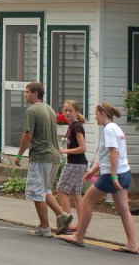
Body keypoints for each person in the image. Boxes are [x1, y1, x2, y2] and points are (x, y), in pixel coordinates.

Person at [59, 102, 137, 253]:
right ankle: (132, 244)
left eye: (96, 114)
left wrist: (113, 177)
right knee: (124, 210)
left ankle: (79, 236)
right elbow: (108, 156)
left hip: (112, 175)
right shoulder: (117, 129)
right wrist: (94, 170)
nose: (95, 117)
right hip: (125, 173)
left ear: (102, 113)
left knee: (87, 201)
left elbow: (114, 152)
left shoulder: (108, 130)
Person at [14, 81, 71, 237]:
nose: (25, 95)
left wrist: (19, 155)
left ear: (35, 93)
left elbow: (27, 135)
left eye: (27, 92)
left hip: (40, 156)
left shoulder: (32, 110)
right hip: (53, 156)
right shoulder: (49, 109)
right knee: (45, 189)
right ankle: (62, 215)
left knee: (36, 192)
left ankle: (44, 227)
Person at [55, 100, 87, 234]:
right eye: (65, 110)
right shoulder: (72, 126)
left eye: (70, 111)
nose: (67, 113)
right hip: (80, 164)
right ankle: (81, 225)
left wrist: (65, 151)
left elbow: (82, 148)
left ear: (76, 112)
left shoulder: (76, 127)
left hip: (75, 163)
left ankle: (65, 222)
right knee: (76, 194)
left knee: (61, 189)